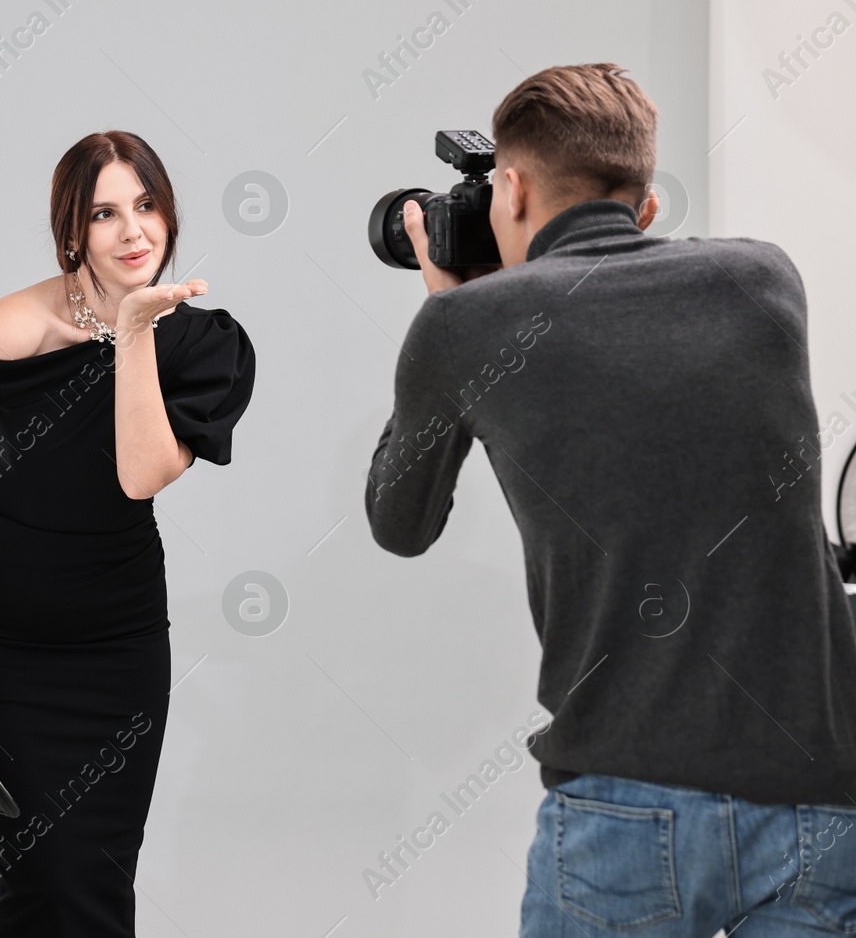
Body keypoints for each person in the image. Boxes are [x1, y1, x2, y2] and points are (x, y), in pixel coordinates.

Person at [365, 62, 856, 935]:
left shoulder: (466, 327)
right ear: (647, 202)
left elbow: (399, 523)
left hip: (629, 808)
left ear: (508, 189)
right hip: (825, 804)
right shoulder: (766, 280)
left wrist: (445, 316)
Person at [0, 130, 255, 937]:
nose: (134, 231)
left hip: (115, 648)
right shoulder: (17, 324)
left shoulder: (206, 343)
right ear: (73, 232)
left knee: (87, 882)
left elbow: (140, 473)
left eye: (147, 205)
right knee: (37, 873)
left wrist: (133, 333)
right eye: (105, 213)